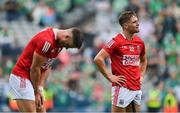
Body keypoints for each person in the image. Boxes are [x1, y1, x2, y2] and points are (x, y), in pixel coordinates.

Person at [9, 27, 84, 112]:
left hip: (32, 79)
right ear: (67, 37)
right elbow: (35, 69)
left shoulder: (59, 44)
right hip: (21, 77)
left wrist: (40, 88)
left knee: (41, 111)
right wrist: (36, 92)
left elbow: (47, 66)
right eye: (68, 46)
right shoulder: (47, 41)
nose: (66, 48)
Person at [94, 11, 147, 112]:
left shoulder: (139, 42)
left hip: (136, 87)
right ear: (126, 26)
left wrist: (142, 76)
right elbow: (98, 58)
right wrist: (110, 77)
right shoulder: (116, 41)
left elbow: (144, 60)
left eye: (137, 21)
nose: (138, 23)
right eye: (134, 22)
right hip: (122, 88)